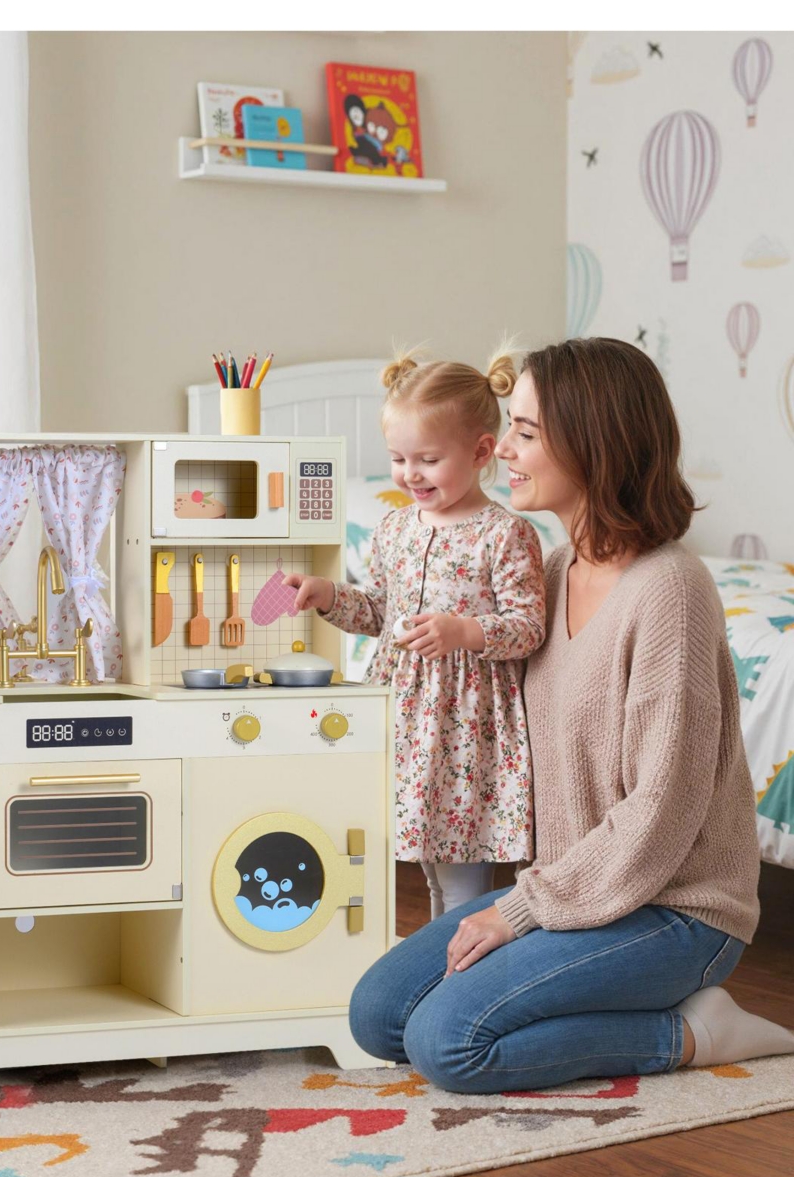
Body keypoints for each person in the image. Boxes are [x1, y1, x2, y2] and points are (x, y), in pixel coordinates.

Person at [348, 337, 794, 1091]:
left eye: (523, 433)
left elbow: (661, 807)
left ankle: (691, 1030)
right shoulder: (546, 575)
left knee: (447, 1043)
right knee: (377, 1015)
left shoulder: (670, 591)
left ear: (592, 443)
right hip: (569, 890)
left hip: (675, 911)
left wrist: (515, 915)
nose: (503, 452)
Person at [285, 351, 546, 918]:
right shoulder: (394, 528)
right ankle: (435, 970)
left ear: (481, 452)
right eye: (399, 459)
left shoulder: (506, 535)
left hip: (463, 725)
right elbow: (379, 611)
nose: (410, 474)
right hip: (402, 717)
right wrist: (328, 595)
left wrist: (465, 631)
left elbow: (528, 628)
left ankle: (457, 979)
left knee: (460, 876)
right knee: (428, 872)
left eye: (428, 459)